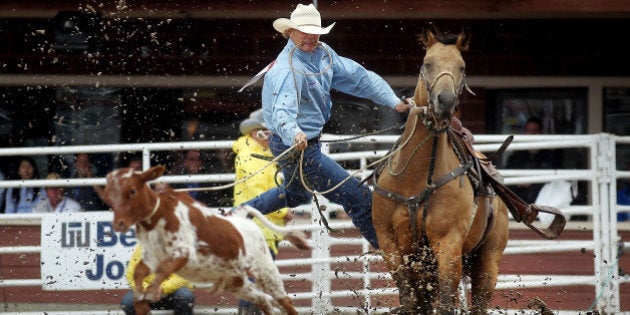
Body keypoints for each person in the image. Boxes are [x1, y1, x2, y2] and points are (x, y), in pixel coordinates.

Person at [242, 3, 409, 249]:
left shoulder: (323, 54)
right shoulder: (287, 69)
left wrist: (394, 102)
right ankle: (392, 254)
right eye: (304, 31)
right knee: (359, 197)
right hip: (298, 146)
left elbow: (359, 78)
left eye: (315, 31)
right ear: (290, 33)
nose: (311, 36)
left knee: (295, 195)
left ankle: (237, 214)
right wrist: (294, 132)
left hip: (300, 143)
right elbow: (282, 112)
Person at [232, 109, 291, 314]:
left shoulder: (259, 155)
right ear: (255, 133)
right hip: (256, 229)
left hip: (260, 228)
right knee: (256, 279)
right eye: (266, 132)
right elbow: (260, 192)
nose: (269, 137)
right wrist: (282, 212)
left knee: (257, 279)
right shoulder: (251, 157)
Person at [121, 245, 195, 315]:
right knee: (128, 303)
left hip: (173, 291)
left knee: (186, 297)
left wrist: (162, 288)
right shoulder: (142, 247)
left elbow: (185, 276)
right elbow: (132, 275)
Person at [505, 117, 563, 204]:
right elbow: (505, 183)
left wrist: (536, 182)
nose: (532, 134)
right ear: (525, 133)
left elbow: (559, 181)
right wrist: (518, 183)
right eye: (529, 131)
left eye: (535, 131)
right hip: (520, 207)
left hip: (546, 206)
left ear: (541, 133)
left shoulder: (550, 157)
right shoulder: (516, 157)